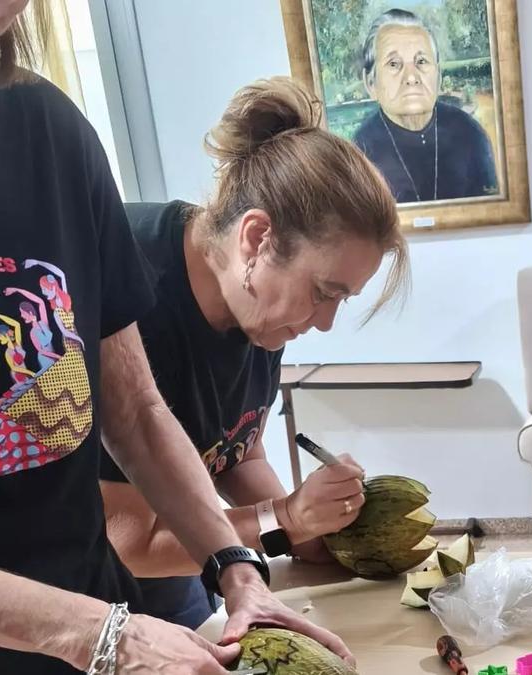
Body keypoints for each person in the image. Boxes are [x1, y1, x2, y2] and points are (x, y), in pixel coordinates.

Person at [0, 2, 351, 673]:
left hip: (93, 635)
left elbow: (139, 413)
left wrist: (235, 567)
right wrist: (96, 633)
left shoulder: (53, 133)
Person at [99, 76, 409, 629]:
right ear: (257, 238)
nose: (325, 322)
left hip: (189, 574)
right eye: (324, 293)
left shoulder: (257, 308)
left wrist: (309, 532)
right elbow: (132, 540)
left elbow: (239, 452)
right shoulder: (129, 286)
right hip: (89, 603)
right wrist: (284, 519)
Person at [352, 8, 498, 203]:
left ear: (438, 76)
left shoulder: (469, 134)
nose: (411, 77)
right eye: (394, 64)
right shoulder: (360, 151)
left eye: (421, 61)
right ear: (371, 83)